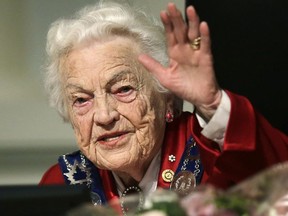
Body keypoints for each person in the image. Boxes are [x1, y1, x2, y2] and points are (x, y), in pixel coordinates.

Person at [39, 0, 288, 214]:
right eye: (82, 99)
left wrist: (212, 103)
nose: (104, 116)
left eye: (123, 89)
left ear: (167, 97)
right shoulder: (61, 185)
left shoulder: (216, 156)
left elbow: (279, 180)